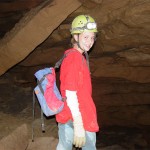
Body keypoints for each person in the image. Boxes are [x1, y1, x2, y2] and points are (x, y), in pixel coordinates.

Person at [56, 14, 99, 150]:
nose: (90, 41)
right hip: (79, 118)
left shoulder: (77, 57)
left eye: (92, 38)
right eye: (85, 37)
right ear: (75, 37)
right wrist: (79, 124)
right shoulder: (74, 58)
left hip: (71, 116)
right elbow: (70, 92)